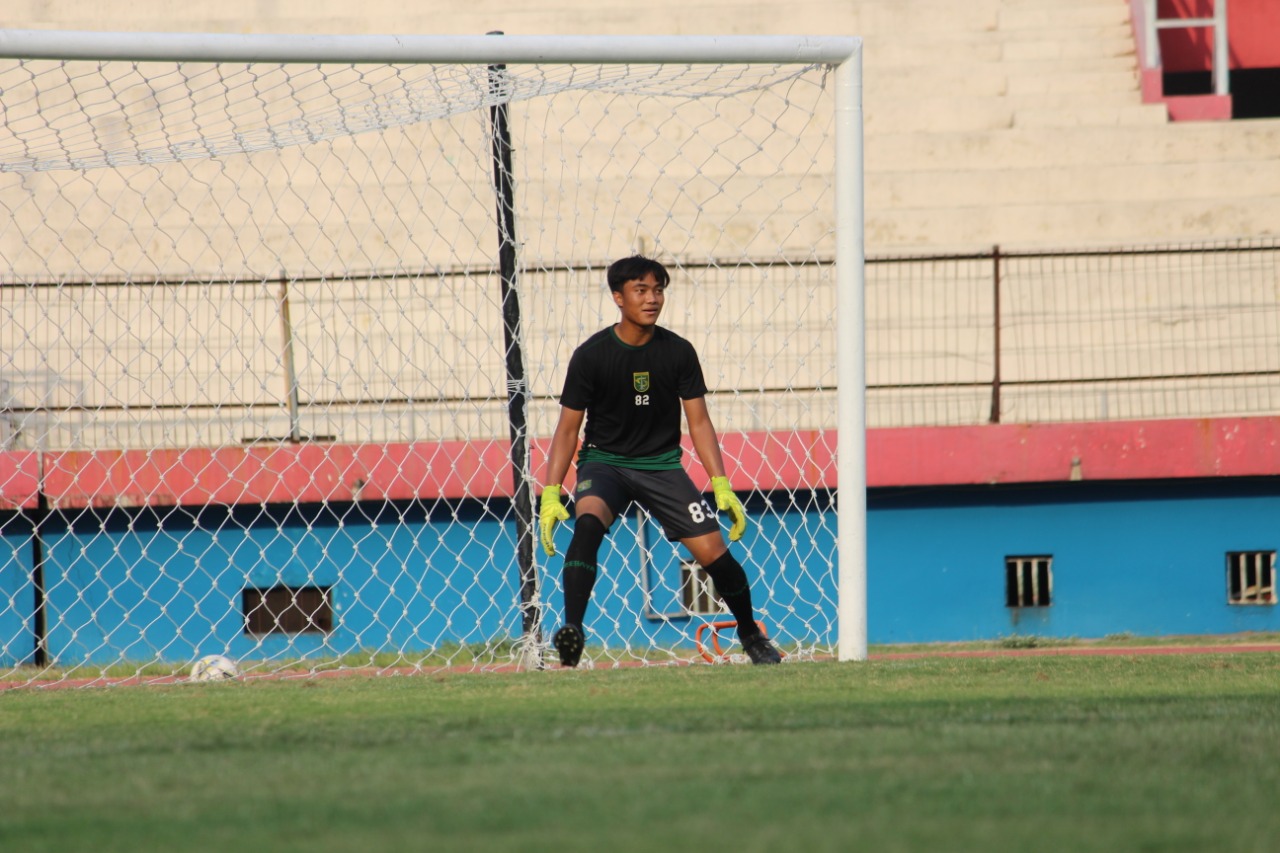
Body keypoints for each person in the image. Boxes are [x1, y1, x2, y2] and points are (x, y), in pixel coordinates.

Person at [538, 254, 783, 667]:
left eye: (658, 290)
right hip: (604, 464)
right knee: (587, 525)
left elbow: (699, 422)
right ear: (619, 298)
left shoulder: (679, 352)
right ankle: (573, 632)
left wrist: (720, 482)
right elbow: (567, 430)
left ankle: (750, 636)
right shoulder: (591, 355)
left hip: (663, 467)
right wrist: (550, 492)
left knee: (715, 554)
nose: (652, 299)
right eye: (641, 290)